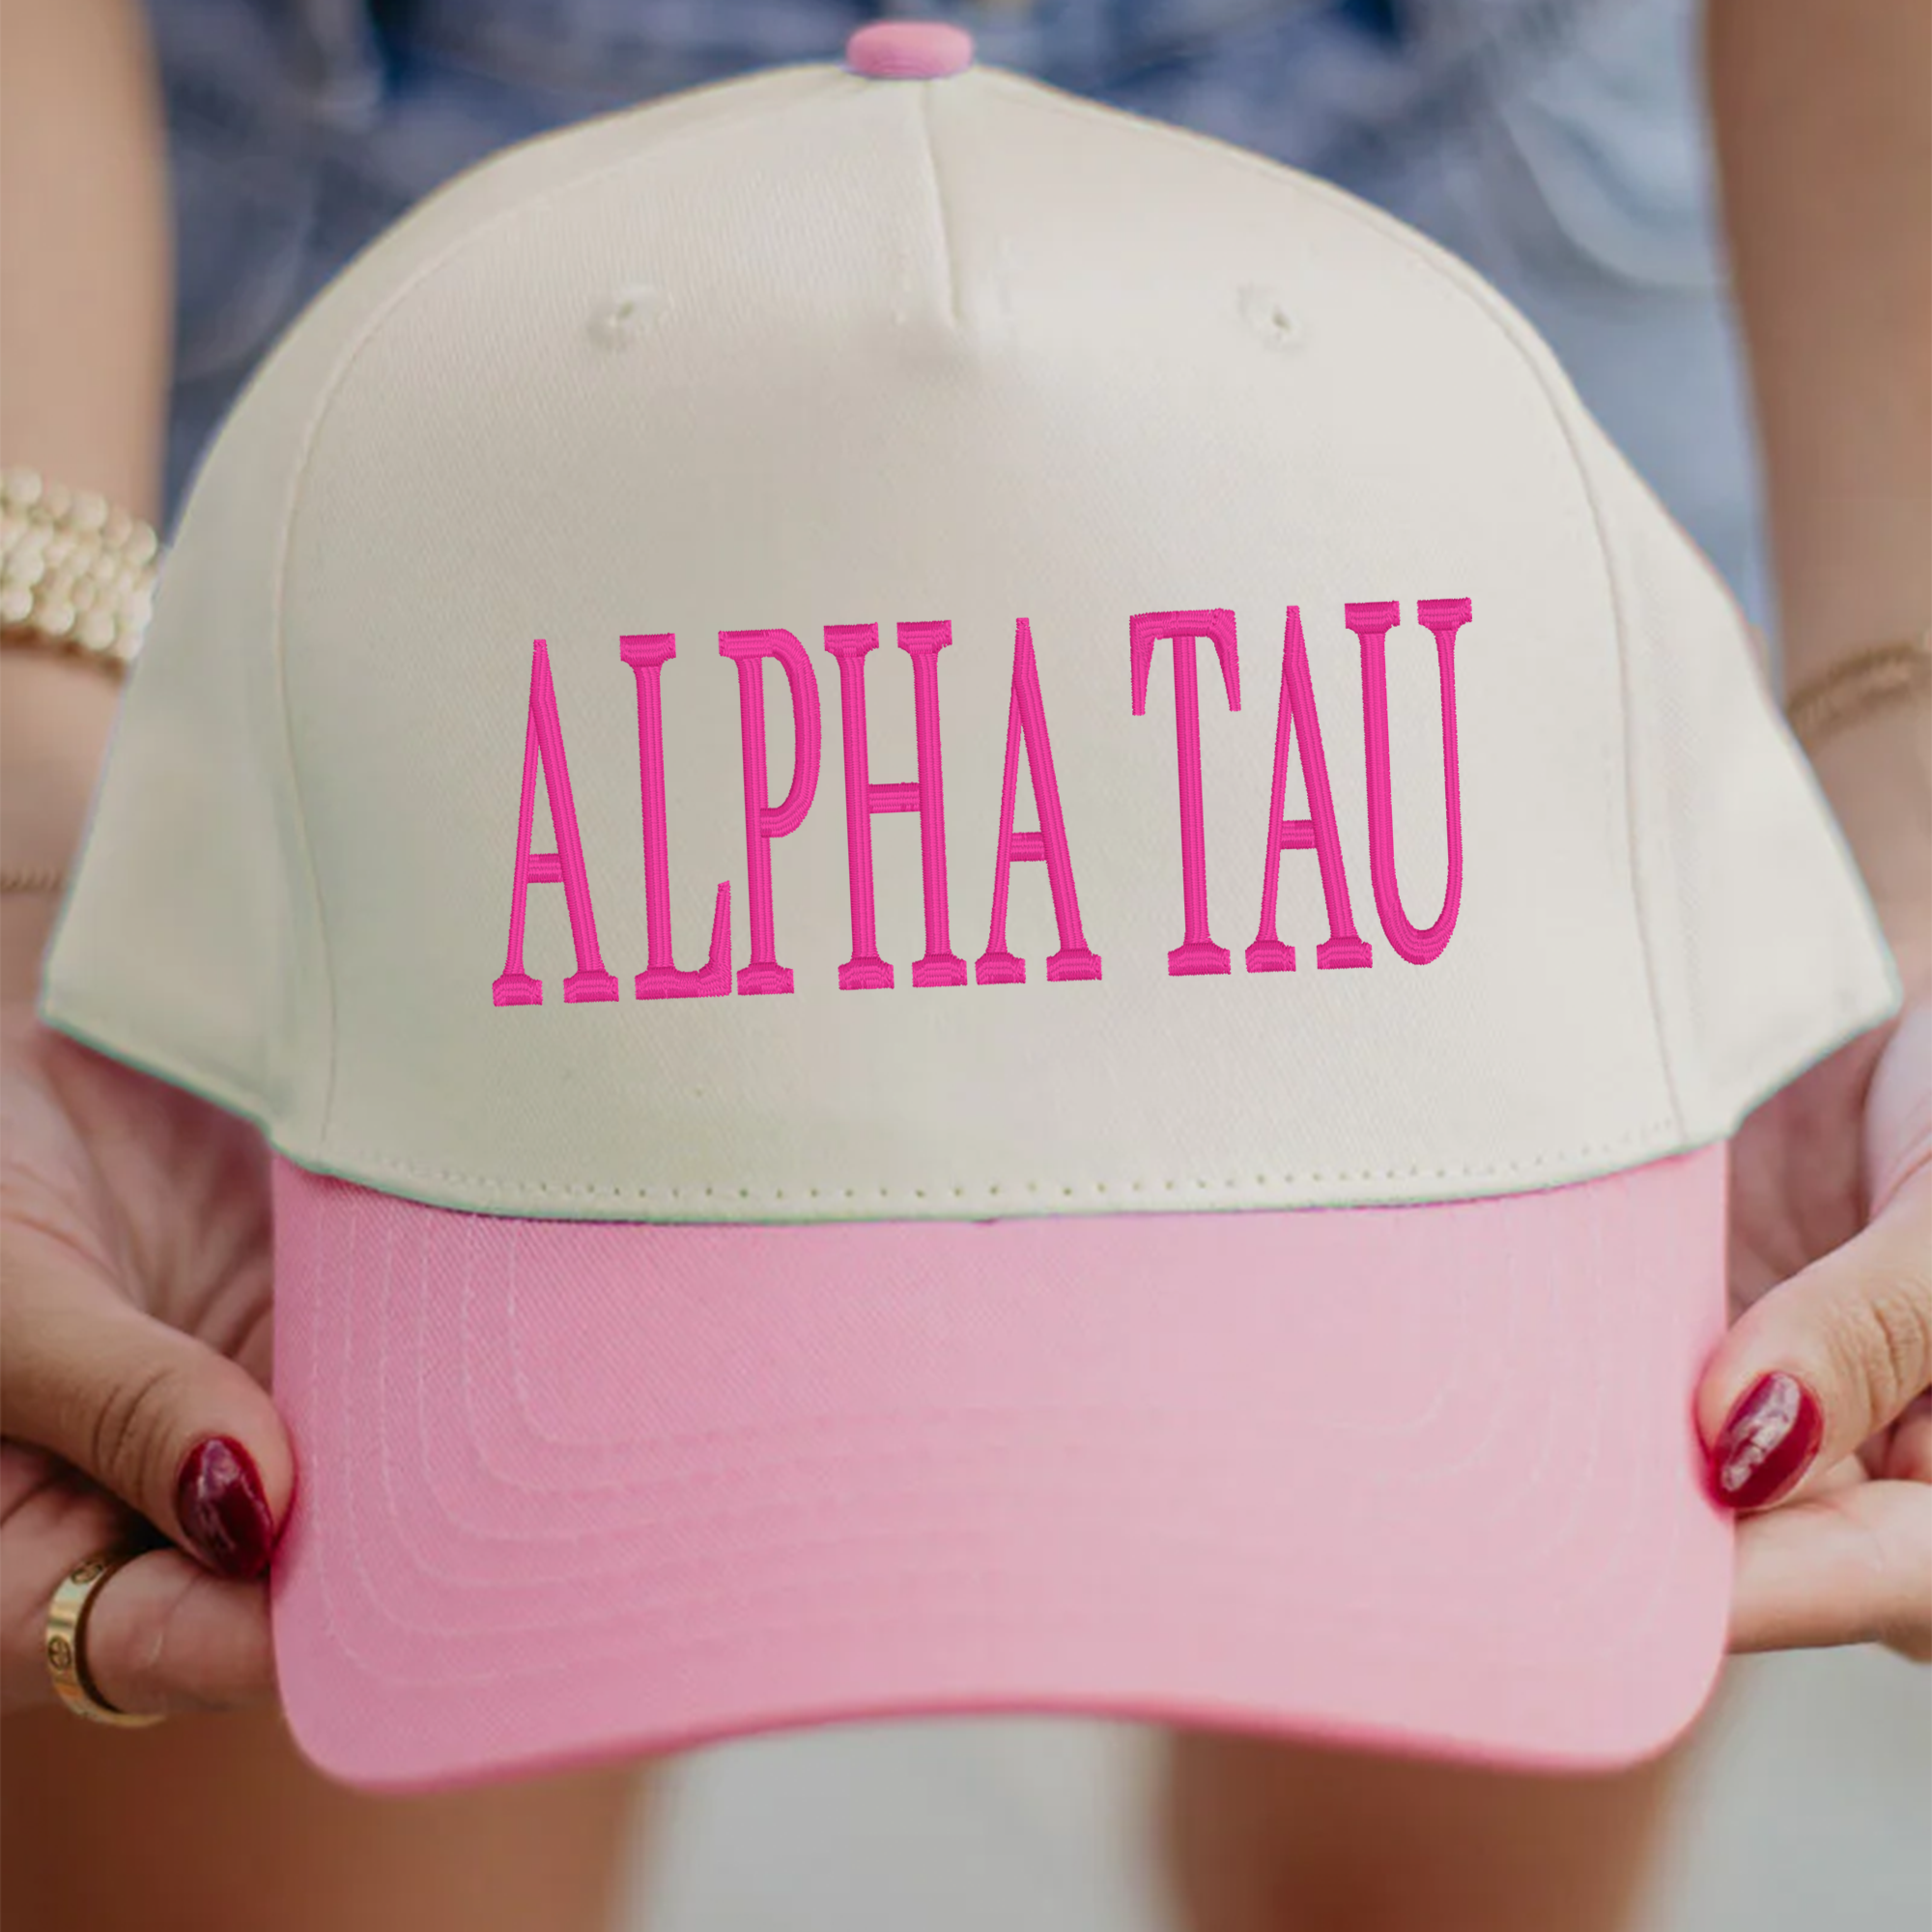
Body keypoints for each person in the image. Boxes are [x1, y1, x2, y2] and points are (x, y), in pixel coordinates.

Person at [1, 3, 1925, 1929]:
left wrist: (1908, 776)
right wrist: (32, 840)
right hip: (389, 339)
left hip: (1456, 319)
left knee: (1445, 1817)